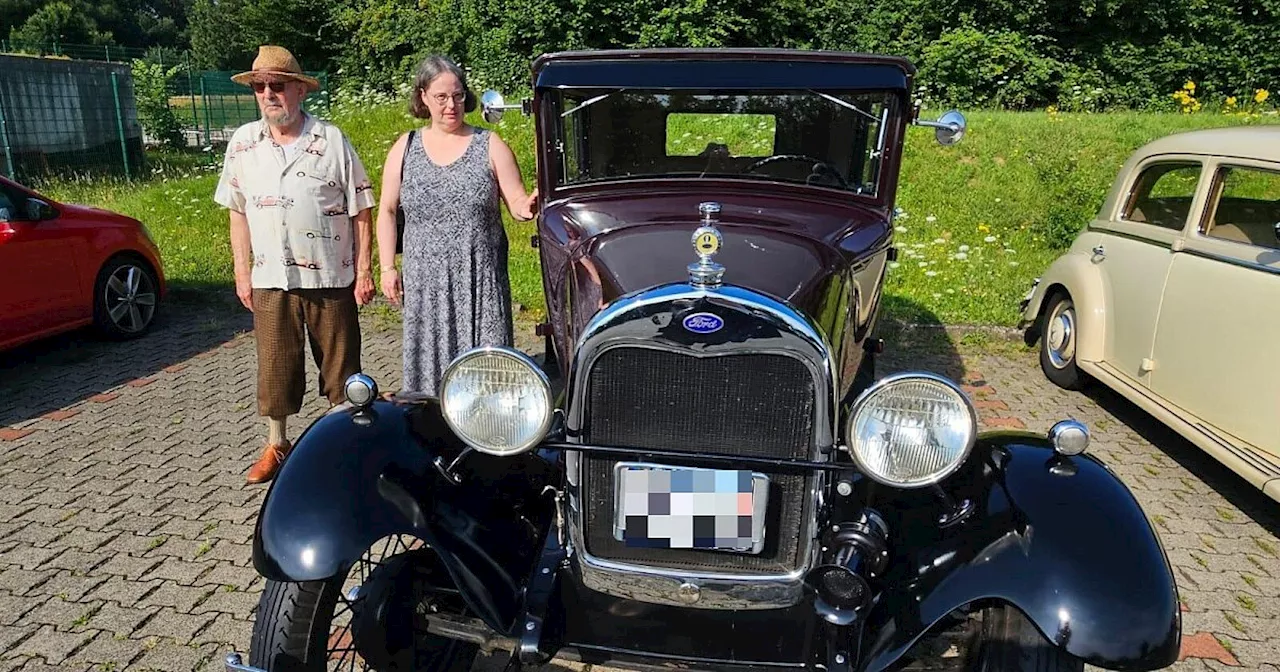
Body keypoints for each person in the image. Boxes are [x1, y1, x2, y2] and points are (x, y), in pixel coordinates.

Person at [213, 45, 377, 484]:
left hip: (329, 273)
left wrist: (364, 269)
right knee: (276, 367)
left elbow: (362, 207)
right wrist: (241, 270)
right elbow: (237, 210)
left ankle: (344, 444)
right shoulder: (243, 144)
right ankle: (277, 444)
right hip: (271, 278)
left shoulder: (331, 140)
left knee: (341, 368)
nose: (269, 94)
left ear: (299, 91)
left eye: (278, 86)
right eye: (260, 86)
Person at [375, 55, 537, 395]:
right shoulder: (405, 148)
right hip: (424, 285)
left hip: (479, 283)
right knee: (427, 384)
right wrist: (388, 267)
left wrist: (532, 203)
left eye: (459, 96)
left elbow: (518, 205)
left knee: (488, 379)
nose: (452, 105)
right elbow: (387, 211)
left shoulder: (490, 144)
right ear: (423, 97)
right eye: (442, 97)